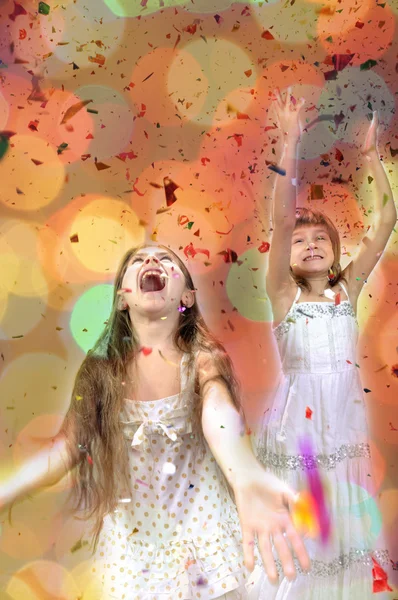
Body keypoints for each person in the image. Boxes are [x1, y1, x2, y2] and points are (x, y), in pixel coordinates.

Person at [0, 243, 310, 600]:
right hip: (133, 552)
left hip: (202, 539)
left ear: (188, 297)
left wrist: (245, 472)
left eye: (166, 260)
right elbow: (65, 448)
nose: (151, 261)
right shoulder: (101, 369)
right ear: (121, 299)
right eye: (137, 260)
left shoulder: (203, 358)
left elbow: (218, 413)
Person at [250, 89, 396, 599]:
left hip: (345, 424)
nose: (310, 243)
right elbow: (283, 218)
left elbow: (383, 227)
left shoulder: (345, 292)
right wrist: (290, 140)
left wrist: (373, 160)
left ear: (334, 251)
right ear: (285, 257)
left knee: (342, 526)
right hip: (302, 431)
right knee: (309, 525)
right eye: (300, 240)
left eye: (321, 239)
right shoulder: (283, 294)